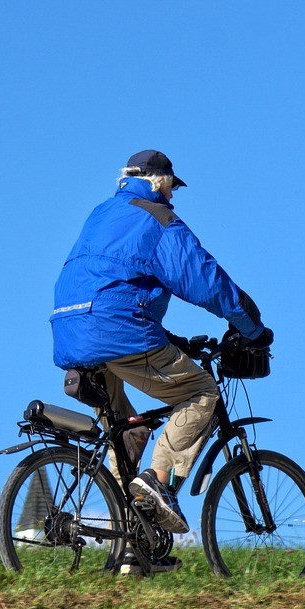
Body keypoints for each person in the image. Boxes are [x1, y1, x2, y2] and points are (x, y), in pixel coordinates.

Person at [50, 150, 272, 552]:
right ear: (157, 181)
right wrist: (251, 326)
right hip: (116, 331)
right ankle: (158, 479)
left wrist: (168, 338)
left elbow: (113, 284)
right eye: (172, 186)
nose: (174, 196)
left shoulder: (102, 214)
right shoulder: (156, 217)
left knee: (127, 430)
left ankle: (131, 548)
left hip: (71, 331)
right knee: (200, 393)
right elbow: (204, 280)